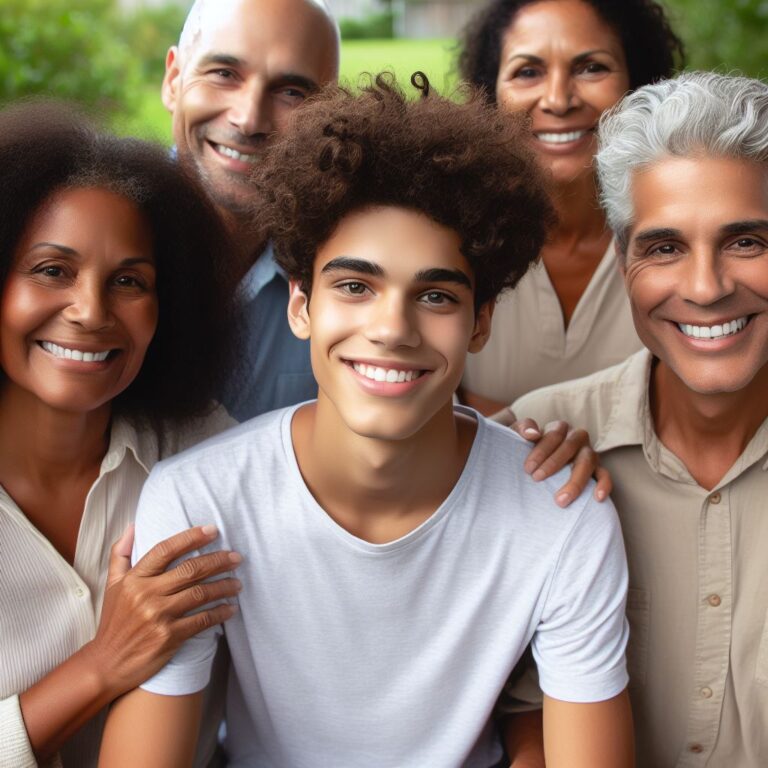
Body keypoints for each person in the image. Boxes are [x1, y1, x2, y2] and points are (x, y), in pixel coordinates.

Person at [99, 74, 633, 768]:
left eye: (435, 295)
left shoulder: (562, 517)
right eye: (355, 286)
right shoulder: (197, 503)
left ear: (480, 324)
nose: (392, 329)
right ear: (300, 305)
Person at [158, 0, 612, 504]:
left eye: (292, 91)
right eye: (223, 73)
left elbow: (426, 396)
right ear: (173, 77)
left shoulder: (349, 251)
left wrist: (534, 447)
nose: (248, 118)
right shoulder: (97, 249)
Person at [509, 72, 768, 767]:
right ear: (621, 260)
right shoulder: (534, 446)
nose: (708, 287)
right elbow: (515, 715)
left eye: (747, 241)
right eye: (664, 247)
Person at [0, 101, 242, 767]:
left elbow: (337, 485)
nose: (90, 311)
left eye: (129, 281)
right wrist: (103, 664)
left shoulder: (202, 448)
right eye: (52, 270)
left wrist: (523, 446)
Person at [457, 0, 684, 413]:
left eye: (591, 67)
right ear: (489, 94)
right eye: (528, 72)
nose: (558, 100)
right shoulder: (454, 235)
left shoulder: (688, 231)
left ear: (639, 81)